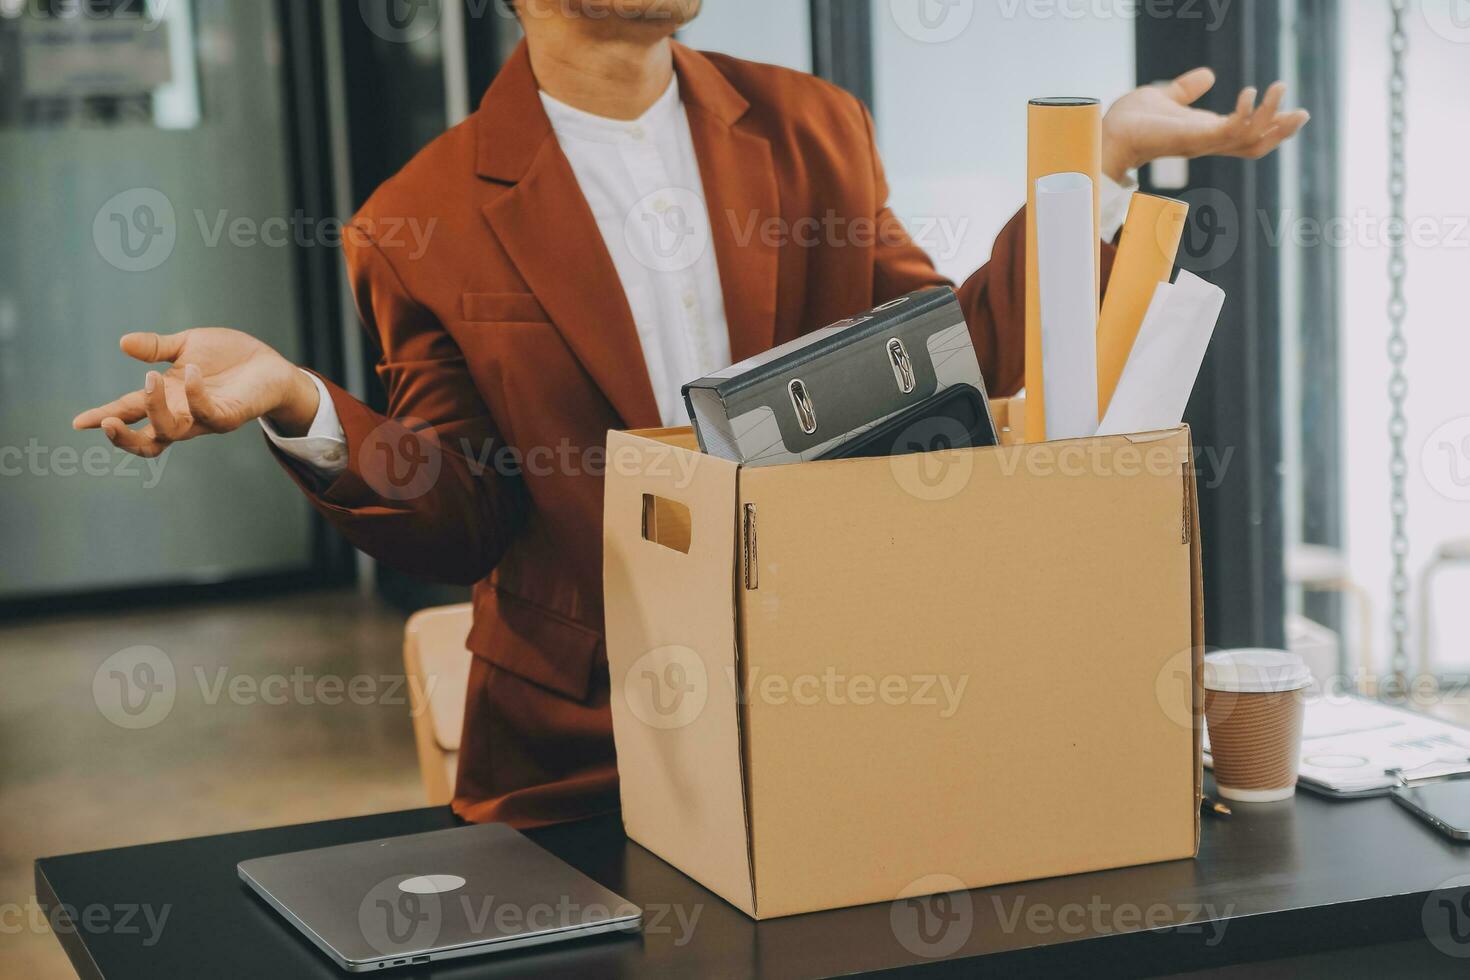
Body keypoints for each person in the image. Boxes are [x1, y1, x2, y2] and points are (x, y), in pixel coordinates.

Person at [73, 0, 1307, 827]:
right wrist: (302, 400)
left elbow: (953, 359)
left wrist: (1085, 166)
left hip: (846, 709)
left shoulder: (812, 125)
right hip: (586, 758)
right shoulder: (417, 212)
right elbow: (458, 508)